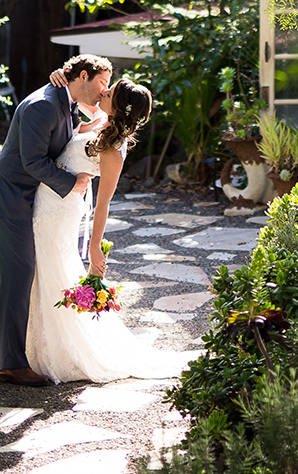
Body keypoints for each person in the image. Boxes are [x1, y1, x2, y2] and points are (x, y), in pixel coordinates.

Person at [25, 71, 193, 383]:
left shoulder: (113, 151)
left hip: (59, 210)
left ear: (118, 105)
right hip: (48, 198)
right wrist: (61, 76)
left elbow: (103, 204)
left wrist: (94, 249)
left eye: (110, 91)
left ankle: (60, 352)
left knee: (52, 270)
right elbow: (77, 97)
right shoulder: (101, 121)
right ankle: (37, 347)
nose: (103, 91)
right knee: (44, 270)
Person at [0, 54, 107, 385]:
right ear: (82, 76)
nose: (103, 90)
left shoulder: (64, 101)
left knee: (24, 275)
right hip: (8, 199)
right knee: (17, 277)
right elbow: (33, 160)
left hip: (25, 199)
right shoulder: (43, 104)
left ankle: (16, 357)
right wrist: (74, 183)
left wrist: (83, 129)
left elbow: (54, 140)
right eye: (101, 82)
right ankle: (10, 364)